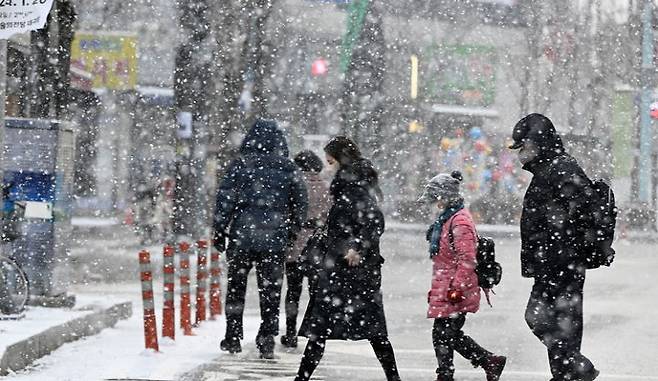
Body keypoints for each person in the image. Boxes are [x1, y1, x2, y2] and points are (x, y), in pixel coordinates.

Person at [295, 136, 401, 381]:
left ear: (341, 160)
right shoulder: (352, 183)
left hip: (348, 271)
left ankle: (301, 378)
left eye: (330, 162)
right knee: (367, 331)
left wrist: (356, 248)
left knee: (326, 329)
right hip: (349, 270)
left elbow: (374, 221)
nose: (328, 167)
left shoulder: (351, 185)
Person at [509, 113, 600, 381]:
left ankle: (574, 368)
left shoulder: (561, 169)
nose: (521, 154)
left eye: (523, 147)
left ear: (538, 143)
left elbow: (585, 210)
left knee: (543, 317)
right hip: (553, 263)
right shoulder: (550, 169)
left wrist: (564, 245)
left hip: (562, 263)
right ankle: (565, 373)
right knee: (558, 322)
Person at [212, 119, 308, 359]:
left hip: (242, 235)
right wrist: (292, 230)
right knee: (271, 290)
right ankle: (267, 337)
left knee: (236, 286)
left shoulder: (240, 166)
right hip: (275, 238)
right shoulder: (288, 168)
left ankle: (233, 335)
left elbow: (225, 200)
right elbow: (300, 203)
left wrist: (219, 229)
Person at [418, 171, 506, 381]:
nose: (434, 204)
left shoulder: (459, 222)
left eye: (435, 198)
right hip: (446, 284)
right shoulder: (447, 219)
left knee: (443, 334)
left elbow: (467, 259)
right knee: (448, 334)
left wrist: (456, 288)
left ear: (445, 197)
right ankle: (488, 361)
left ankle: (446, 375)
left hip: (456, 287)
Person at [280, 150, 331, 349]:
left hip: (294, 245)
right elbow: (329, 218)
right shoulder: (326, 189)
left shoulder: (291, 186)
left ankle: (290, 333)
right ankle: (314, 331)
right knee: (315, 292)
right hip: (317, 247)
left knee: (293, 291)